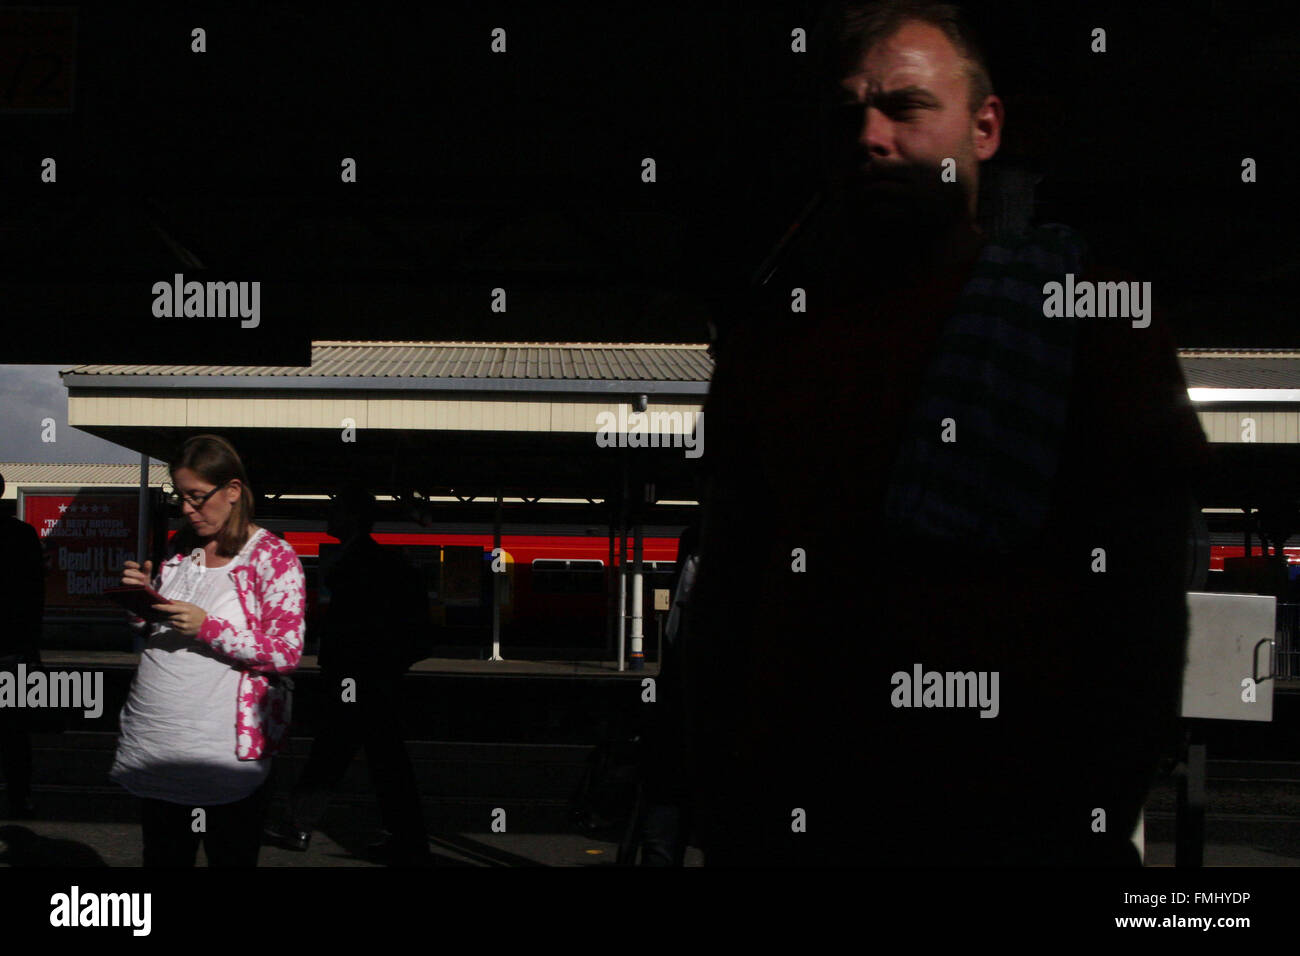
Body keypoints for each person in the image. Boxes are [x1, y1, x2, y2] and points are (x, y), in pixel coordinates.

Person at [683, 0, 1209, 866]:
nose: (870, 136)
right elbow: (728, 603)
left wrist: (1091, 807)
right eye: (847, 114)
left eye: (907, 106)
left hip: (1011, 824)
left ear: (986, 127)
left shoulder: (1088, 319)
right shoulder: (769, 345)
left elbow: (1143, 605)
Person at [111, 434, 305, 867]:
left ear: (232, 491)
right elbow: (157, 626)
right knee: (161, 857)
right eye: (181, 496)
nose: (186, 508)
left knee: (229, 856)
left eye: (197, 497)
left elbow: (286, 652)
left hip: (223, 757)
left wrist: (209, 627)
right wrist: (141, 600)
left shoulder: (272, 556)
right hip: (159, 745)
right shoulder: (182, 551)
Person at [265, 482, 433, 866]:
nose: (329, 516)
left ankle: (301, 826)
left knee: (340, 750)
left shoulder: (360, 562)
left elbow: (355, 629)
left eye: (336, 508)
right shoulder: (376, 559)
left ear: (352, 516)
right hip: (374, 677)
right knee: (379, 759)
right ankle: (406, 839)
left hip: (356, 678)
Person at [0, 471, 45, 819]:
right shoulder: (22, 535)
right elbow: (34, 596)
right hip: (13, 649)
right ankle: (19, 795)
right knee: (15, 732)